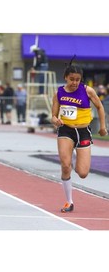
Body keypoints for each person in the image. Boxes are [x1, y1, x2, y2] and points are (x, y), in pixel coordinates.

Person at [51, 57, 108, 213]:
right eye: (71, 80)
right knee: (65, 165)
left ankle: (76, 158)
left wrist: (103, 127)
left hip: (83, 131)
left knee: (82, 173)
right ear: (65, 78)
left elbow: (100, 107)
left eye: (77, 80)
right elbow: (53, 115)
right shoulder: (59, 93)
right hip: (66, 130)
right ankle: (69, 201)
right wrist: (56, 120)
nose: (74, 83)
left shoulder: (87, 91)